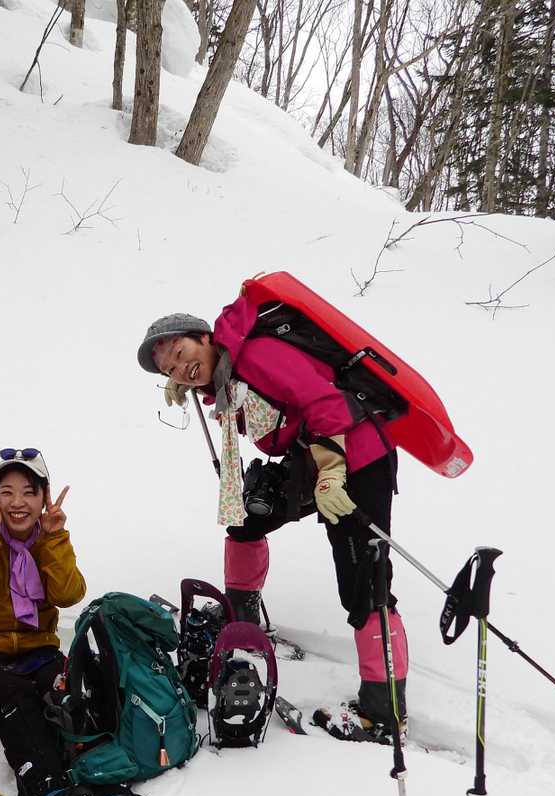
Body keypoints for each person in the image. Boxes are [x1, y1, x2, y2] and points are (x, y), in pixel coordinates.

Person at [137, 305, 409, 740]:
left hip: (357, 458)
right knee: (245, 522)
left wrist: (332, 473)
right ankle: (243, 624)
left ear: (205, 337)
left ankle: (383, 715)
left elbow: (323, 401)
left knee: (365, 583)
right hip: (309, 459)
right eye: (169, 369)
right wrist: (193, 380)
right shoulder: (226, 374)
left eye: (181, 353)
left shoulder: (257, 354)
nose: (179, 369)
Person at [0, 449, 149, 796]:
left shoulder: (48, 534)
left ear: (43, 497)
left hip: (36, 649)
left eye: (28, 492)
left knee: (70, 694)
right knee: (18, 698)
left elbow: (69, 594)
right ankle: (44, 792)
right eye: (7, 491)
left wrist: (54, 539)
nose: (17, 502)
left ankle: (107, 789)